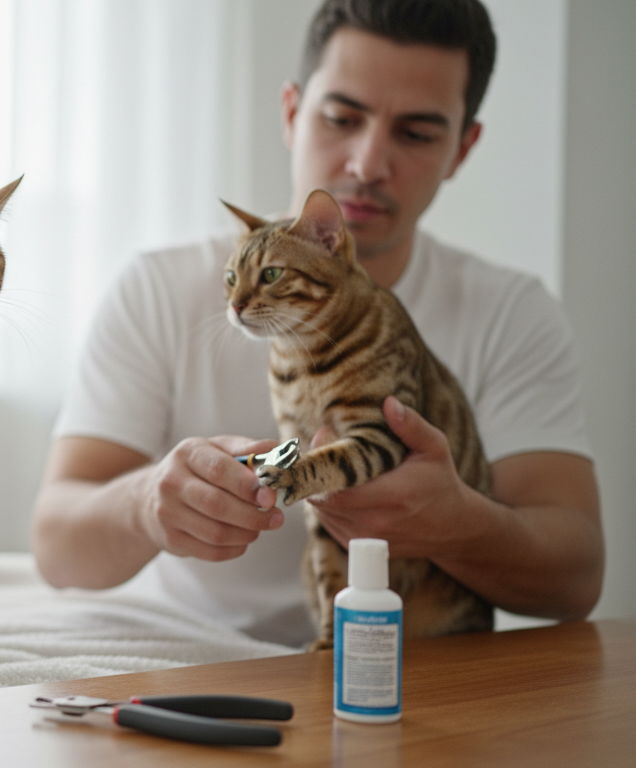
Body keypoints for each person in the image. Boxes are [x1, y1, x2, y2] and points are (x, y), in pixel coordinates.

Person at [31, 0, 602, 648]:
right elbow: (54, 545)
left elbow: (577, 580)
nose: (366, 163)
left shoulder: (513, 311)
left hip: (403, 660)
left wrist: (456, 523)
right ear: (291, 112)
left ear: (462, 147)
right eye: (341, 117)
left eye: (415, 133)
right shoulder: (159, 285)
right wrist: (147, 503)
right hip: (189, 654)